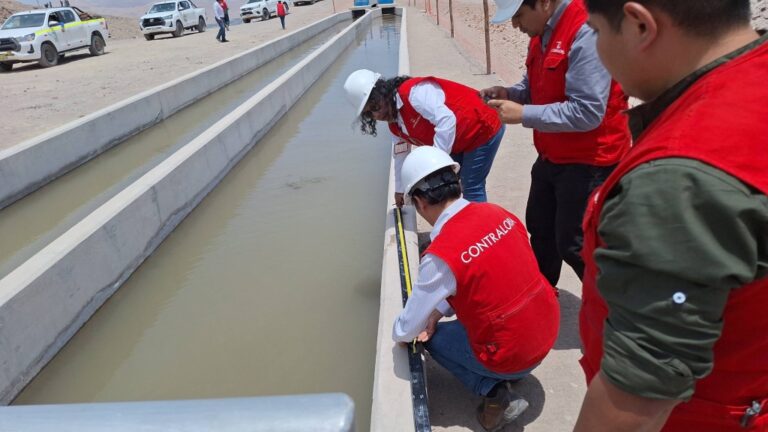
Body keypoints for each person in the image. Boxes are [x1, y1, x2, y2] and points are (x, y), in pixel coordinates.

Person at [571, 1, 768, 431]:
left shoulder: (678, 179)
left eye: (597, 32)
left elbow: (637, 395)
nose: (597, 50)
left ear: (641, 25)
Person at [392, 146, 560, 432]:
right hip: (547, 333)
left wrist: (414, 323)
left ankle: (494, 394)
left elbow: (405, 329)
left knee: (431, 339)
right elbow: (487, 276)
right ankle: (509, 372)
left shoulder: (441, 255)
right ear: (457, 184)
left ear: (419, 203)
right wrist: (437, 311)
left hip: (514, 356)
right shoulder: (497, 213)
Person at [479, 0, 631, 288]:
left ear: (545, 4)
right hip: (553, 154)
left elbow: (587, 112)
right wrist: (510, 93)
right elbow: (534, 86)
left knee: (575, 243)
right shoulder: (541, 33)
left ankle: (618, 310)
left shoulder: (585, 30)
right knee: (540, 227)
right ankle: (542, 295)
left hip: (590, 158)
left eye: (519, 15)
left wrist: (523, 114)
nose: (515, 25)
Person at [344, 70, 505, 206]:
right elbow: (400, 154)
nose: (377, 114)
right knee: (450, 185)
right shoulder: (395, 126)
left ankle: (480, 234)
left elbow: (446, 120)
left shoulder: (413, 93)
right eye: (370, 113)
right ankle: (458, 230)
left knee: (471, 185)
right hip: (459, 139)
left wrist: (434, 165)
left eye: (376, 106)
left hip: (482, 124)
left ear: (383, 92)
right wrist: (400, 189)